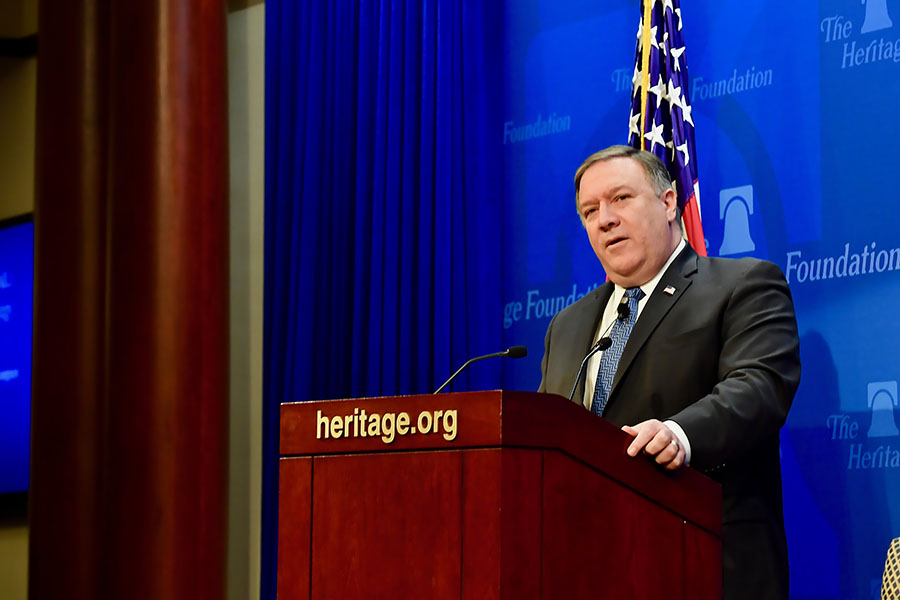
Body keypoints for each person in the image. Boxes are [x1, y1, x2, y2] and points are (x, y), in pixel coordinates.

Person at [538, 145, 801, 600]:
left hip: (704, 561)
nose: (604, 219)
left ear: (667, 202)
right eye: (589, 210)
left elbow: (759, 388)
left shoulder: (742, 286)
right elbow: (545, 433)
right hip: (586, 569)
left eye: (621, 198)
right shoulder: (567, 325)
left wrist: (679, 434)